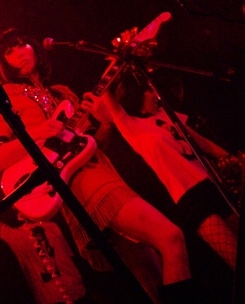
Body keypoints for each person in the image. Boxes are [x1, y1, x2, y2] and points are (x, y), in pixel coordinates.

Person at [0, 30, 195, 304]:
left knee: (150, 273)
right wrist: (39, 130)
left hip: (103, 172)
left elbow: (92, 145)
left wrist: (105, 122)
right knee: (172, 239)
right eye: (9, 51)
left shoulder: (63, 93)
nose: (18, 52)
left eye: (22, 45)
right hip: (79, 187)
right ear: (4, 63)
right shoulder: (8, 96)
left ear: (34, 47)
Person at [83, 75, 239, 273]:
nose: (155, 95)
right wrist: (119, 58)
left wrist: (233, 160)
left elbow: (201, 141)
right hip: (191, 197)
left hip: (213, 184)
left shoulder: (166, 115)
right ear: (136, 95)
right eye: (148, 91)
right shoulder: (131, 125)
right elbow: (107, 92)